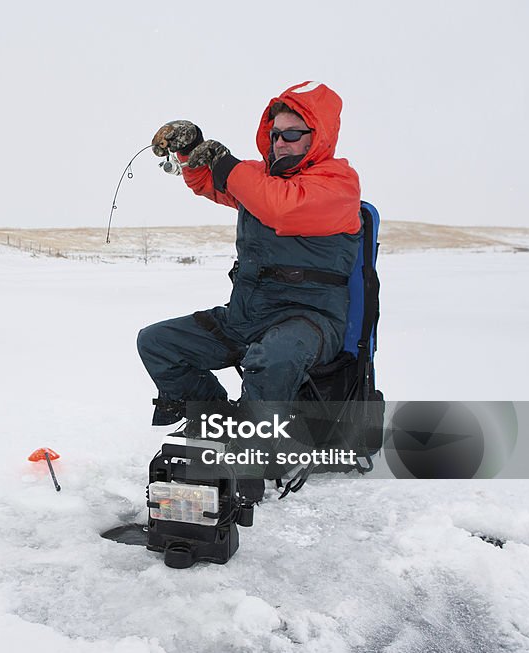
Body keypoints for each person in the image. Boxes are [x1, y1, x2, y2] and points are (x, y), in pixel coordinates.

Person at [137, 81, 363, 427]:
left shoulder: (338, 183)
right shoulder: (260, 179)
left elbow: (282, 208)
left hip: (309, 321)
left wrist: (227, 165)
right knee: (158, 342)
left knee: (272, 357)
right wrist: (192, 153)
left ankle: (258, 447)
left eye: (291, 134)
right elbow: (210, 183)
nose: (279, 143)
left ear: (317, 136)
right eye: (275, 134)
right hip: (247, 316)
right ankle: (214, 418)